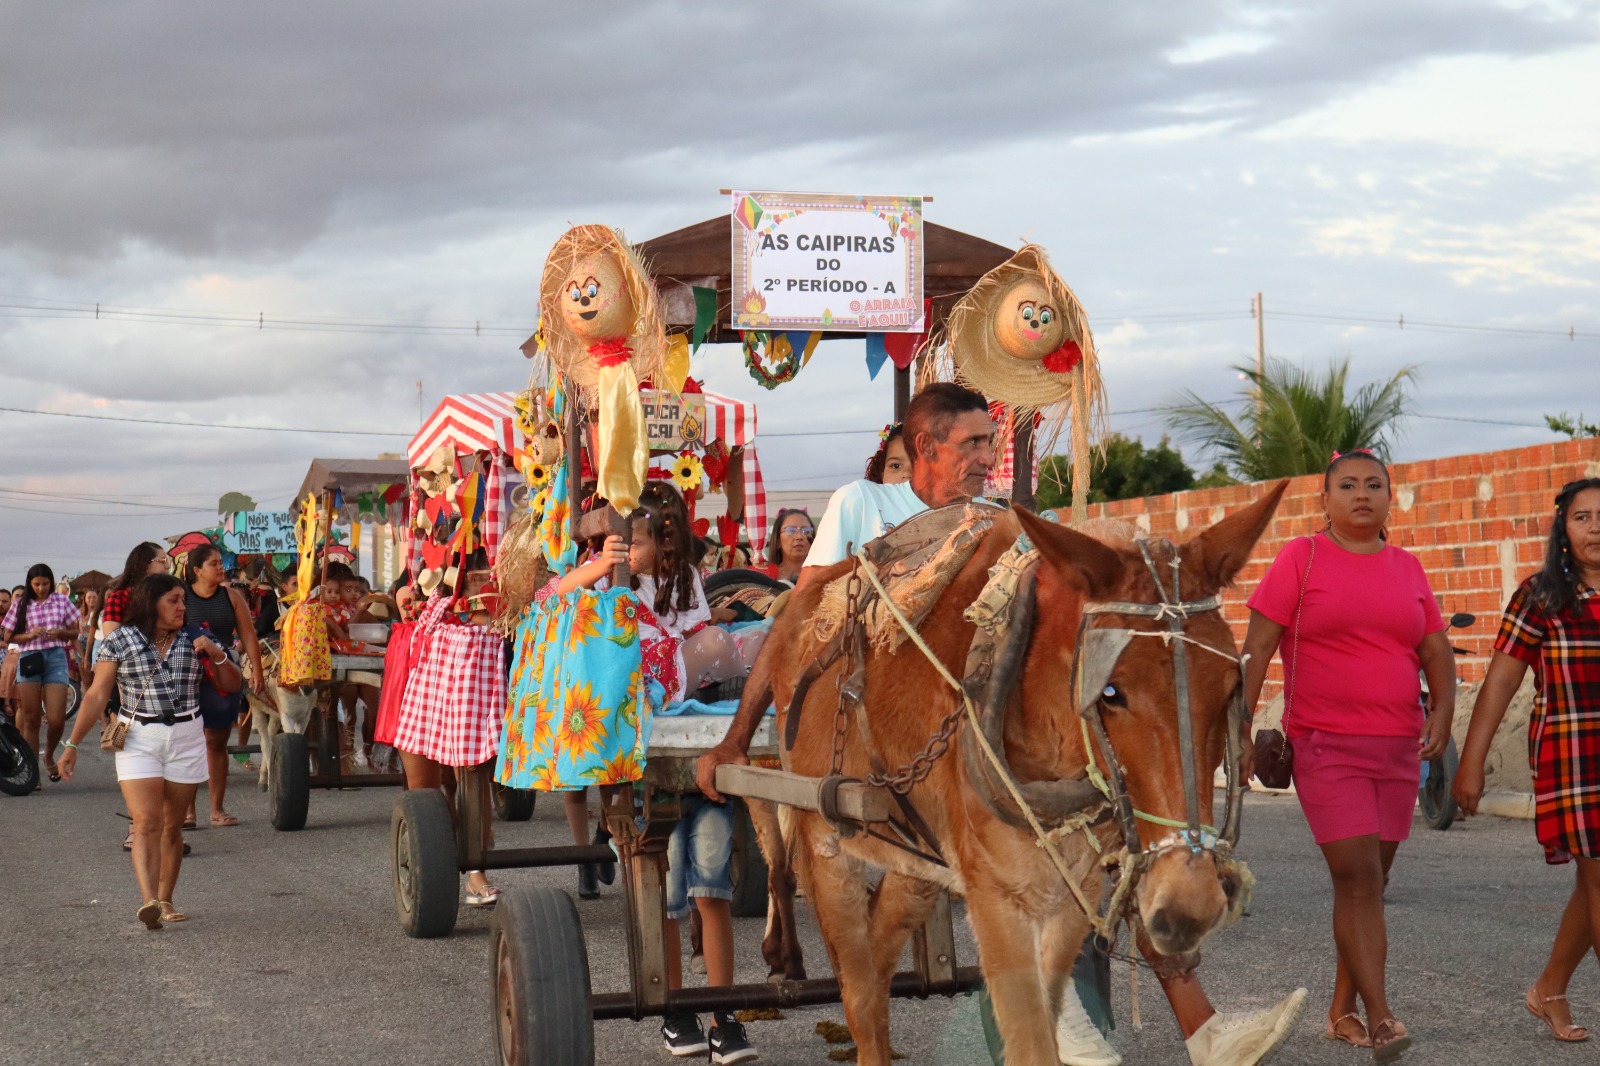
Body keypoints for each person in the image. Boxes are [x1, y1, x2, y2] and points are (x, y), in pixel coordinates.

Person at [704, 383, 1306, 1066]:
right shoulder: (862, 504)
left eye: (991, 442)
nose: (987, 457)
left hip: (1014, 722)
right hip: (870, 715)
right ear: (924, 446)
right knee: (863, 926)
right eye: (974, 443)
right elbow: (801, 617)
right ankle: (919, 1038)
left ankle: (1152, 1013)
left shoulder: (1006, 526)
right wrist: (734, 737)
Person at [1241, 449, 1455, 1060]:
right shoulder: (1300, 559)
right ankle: (1384, 1017)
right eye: (1348, 485)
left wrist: (1441, 711)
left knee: (1371, 883)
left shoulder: (1408, 568)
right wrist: (1239, 725)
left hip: (1397, 748)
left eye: (1374, 485)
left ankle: (1342, 1010)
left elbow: (1436, 650)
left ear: (1391, 497)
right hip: (1324, 745)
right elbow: (1258, 647)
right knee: (1358, 879)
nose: (1362, 494)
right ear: (1325, 499)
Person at [1454, 477, 1600, 1044]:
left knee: (1593, 885)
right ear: (1563, 530)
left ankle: (1550, 989)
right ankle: (1551, 990)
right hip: (1575, 760)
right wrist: (1471, 762)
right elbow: (1499, 684)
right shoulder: (1541, 596)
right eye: (1583, 517)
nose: (1597, 527)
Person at [59, 573, 240, 928]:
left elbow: (233, 684)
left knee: (173, 827)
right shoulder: (120, 640)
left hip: (187, 734)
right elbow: (96, 695)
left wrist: (218, 655)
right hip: (139, 735)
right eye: (173, 600)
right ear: (150, 602)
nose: (181, 607)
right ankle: (150, 902)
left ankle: (167, 899)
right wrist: (72, 744)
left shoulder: (196, 638)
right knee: (146, 822)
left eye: (183, 600)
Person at [183, 543, 265, 827]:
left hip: (223, 670)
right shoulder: (181, 597)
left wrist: (257, 671)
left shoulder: (231, 597)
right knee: (189, 741)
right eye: (213, 564)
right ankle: (187, 812)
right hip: (188, 672)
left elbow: (248, 635)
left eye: (220, 562)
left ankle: (217, 810)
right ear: (196, 570)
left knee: (216, 741)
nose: (220, 567)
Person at [1, 564, 82, 784]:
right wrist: (28, 635)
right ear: (30, 583)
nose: (41, 588)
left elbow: (76, 631)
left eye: (45, 583)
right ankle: (32, 770)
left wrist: (61, 632)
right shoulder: (20, 603)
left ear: (51, 582)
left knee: (56, 719)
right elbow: (9, 636)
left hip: (56, 656)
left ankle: (48, 756)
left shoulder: (62, 601)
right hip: (29, 657)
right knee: (31, 719)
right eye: (36, 584)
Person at [758, 509, 813, 586]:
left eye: (806, 531)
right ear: (777, 541)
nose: (799, 536)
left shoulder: (823, 576)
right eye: (791, 530)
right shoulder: (765, 578)